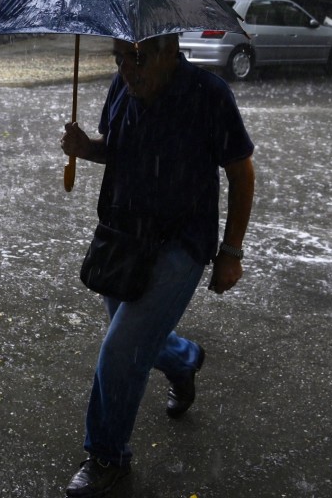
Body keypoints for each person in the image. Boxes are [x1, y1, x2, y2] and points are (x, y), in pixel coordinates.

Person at [59, 33, 256, 497]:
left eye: (139, 58)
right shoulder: (121, 87)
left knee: (121, 349)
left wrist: (231, 251)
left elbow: (241, 171)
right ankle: (183, 359)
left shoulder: (209, 95)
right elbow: (117, 147)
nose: (128, 69)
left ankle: (108, 457)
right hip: (123, 239)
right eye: (120, 58)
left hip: (180, 244)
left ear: (170, 51)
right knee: (137, 340)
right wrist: (86, 147)